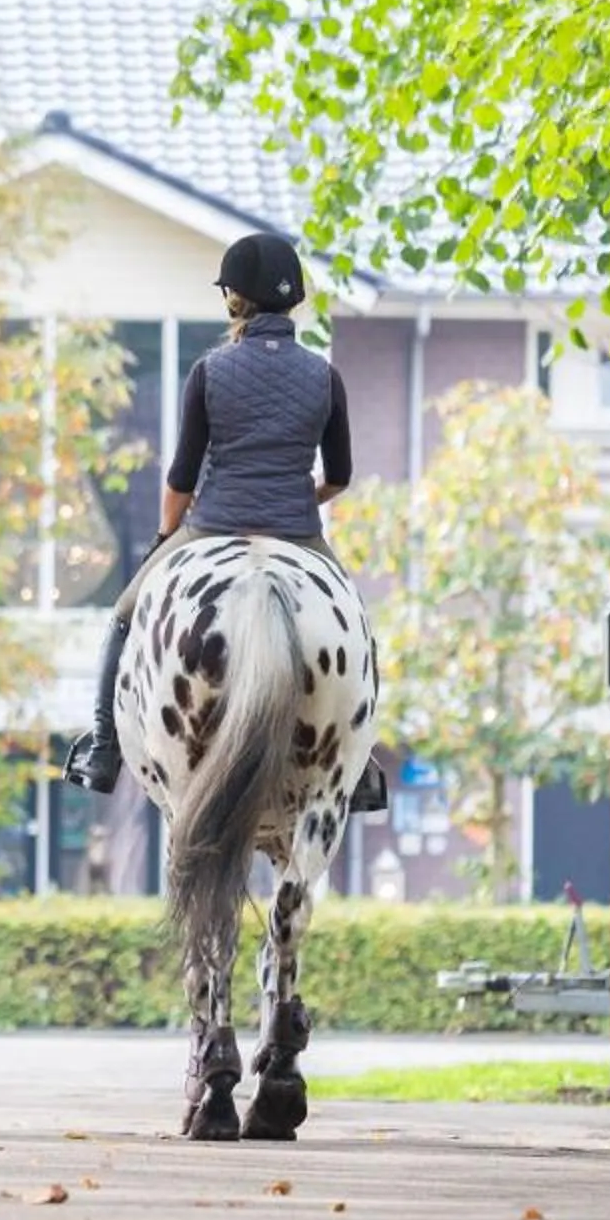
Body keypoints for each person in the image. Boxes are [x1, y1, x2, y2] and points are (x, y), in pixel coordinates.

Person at [63, 230, 388, 814]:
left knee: (121, 618)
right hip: (297, 529)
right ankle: (359, 765)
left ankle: (103, 748)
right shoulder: (324, 377)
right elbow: (339, 475)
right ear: (292, 302)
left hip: (212, 525)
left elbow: (181, 480)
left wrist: (166, 539)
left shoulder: (210, 372)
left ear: (234, 299)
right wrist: (295, 499)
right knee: (355, 629)